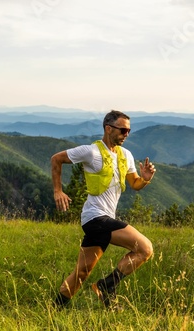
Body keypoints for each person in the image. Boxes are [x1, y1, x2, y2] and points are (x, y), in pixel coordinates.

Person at [51, 109, 156, 310]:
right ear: (108, 129)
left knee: (81, 273)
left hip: (104, 219)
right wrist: (58, 191)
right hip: (95, 218)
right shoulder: (91, 152)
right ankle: (107, 287)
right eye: (123, 130)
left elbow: (135, 184)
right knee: (145, 248)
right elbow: (56, 159)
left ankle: (54, 309)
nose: (126, 134)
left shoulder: (126, 155)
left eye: (129, 130)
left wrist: (145, 179)